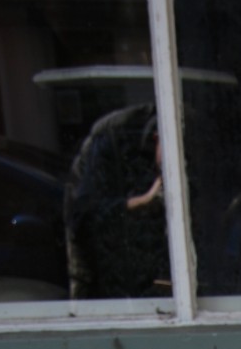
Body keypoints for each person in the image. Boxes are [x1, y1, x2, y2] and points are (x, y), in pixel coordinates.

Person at [64, 104, 170, 300]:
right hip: (111, 288)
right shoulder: (113, 143)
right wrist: (140, 203)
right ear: (157, 139)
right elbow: (83, 220)